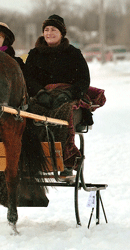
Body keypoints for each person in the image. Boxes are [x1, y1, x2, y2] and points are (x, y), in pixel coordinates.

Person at [23, 14, 92, 176]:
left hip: (68, 97)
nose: (49, 33)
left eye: (53, 30)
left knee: (62, 113)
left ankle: (66, 161)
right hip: (42, 95)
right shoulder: (34, 54)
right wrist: (40, 93)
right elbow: (27, 78)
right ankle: (33, 159)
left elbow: (84, 79)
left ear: (62, 33)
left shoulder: (73, 53)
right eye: (46, 30)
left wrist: (68, 94)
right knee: (27, 114)